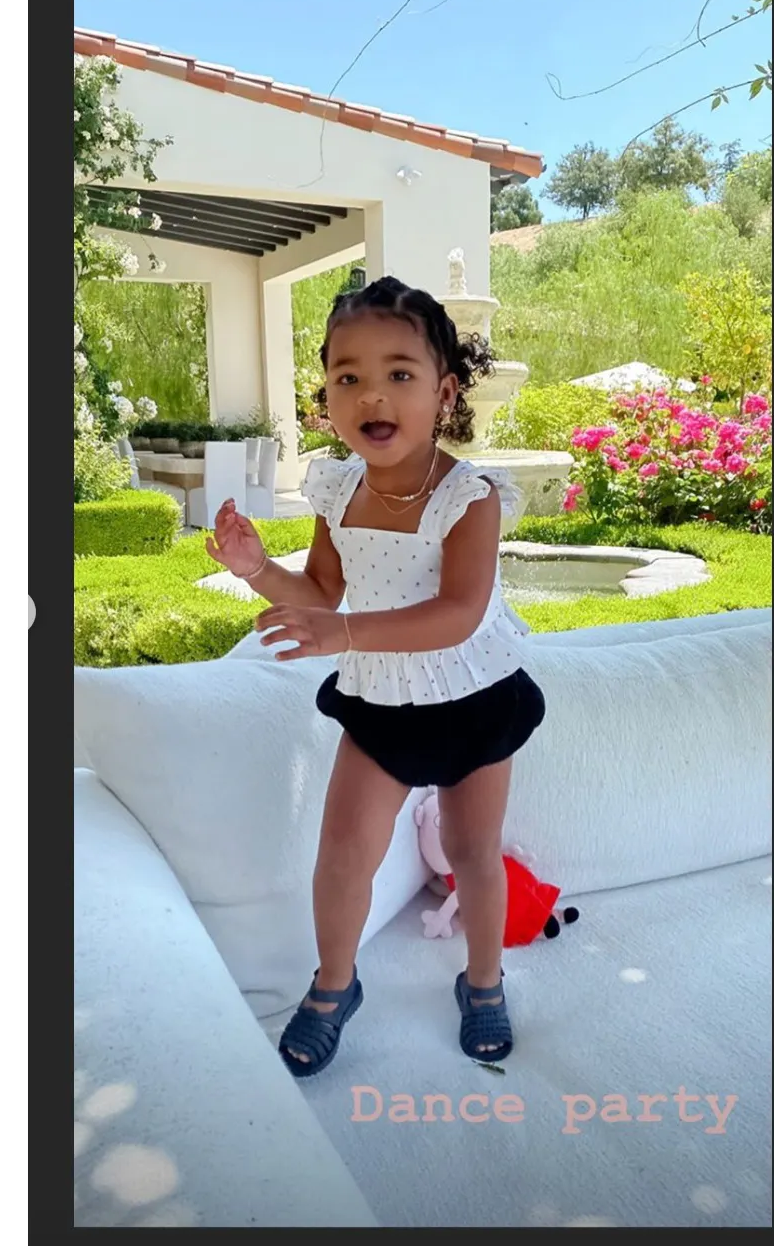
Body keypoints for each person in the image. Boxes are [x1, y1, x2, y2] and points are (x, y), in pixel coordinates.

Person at [205, 275, 546, 1076]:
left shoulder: (469, 498)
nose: (372, 394)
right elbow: (322, 592)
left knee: (472, 850)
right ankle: (334, 985)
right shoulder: (337, 488)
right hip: (382, 703)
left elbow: (459, 612)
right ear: (326, 395)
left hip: (474, 700)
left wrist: (345, 632)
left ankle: (484, 979)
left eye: (399, 373)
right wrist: (258, 570)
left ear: (444, 391)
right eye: (347, 376)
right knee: (342, 855)